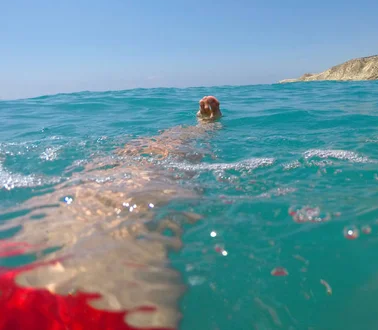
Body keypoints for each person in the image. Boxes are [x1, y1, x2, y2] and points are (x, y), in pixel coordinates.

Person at [0, 97, 222, 330]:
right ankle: (199, 131)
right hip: (85, 302)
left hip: (25, 283)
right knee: (124, 186)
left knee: (95, 184)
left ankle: (193, 133)